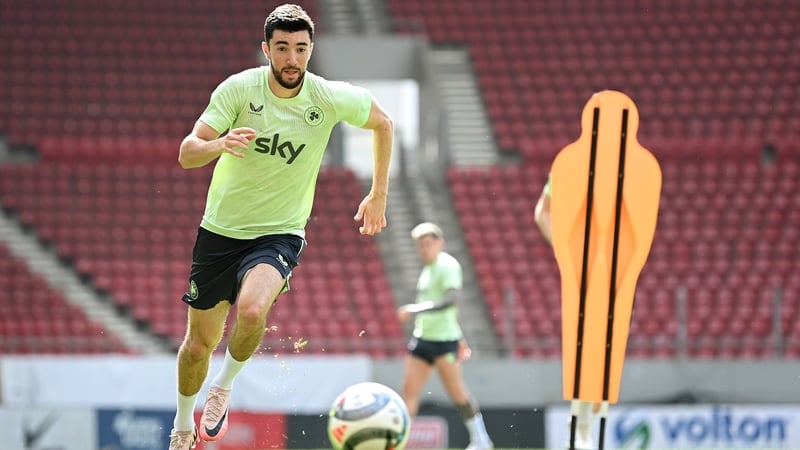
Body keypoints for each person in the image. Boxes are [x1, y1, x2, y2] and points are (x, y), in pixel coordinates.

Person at [167, 4, 394, 450]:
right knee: (198, 346)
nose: (293, 58)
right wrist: (219, 143)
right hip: (220, 232)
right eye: (284, 48)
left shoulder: (325, 96)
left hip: (280, 232)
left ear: (311, 50)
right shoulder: (238, 89)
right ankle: (181, 425)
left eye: (302, 49)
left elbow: (383, 123)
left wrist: (378, 193)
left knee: (252, 310)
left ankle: (224, 388)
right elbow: (187, 152)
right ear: (267, 49)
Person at [396, 222, 494, 450]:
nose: (423, 249)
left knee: (458, 393)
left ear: (439, 243)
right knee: (408, 394)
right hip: (422, 340)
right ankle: (398, 444)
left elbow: (451, 301)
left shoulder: (447, 265)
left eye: (428, 244)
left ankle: (481, 439)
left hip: (444, 343)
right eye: (420, 245)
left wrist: (415, 310)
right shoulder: (428, 269)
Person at [534, 176, 601, 450]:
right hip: (586, 273)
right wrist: (563, 249)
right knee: (593, 350)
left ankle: (585, 423)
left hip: (615, 272)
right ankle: (581, 425)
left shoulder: (621, 166)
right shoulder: (568, 167)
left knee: (607, 354)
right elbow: (542, 213)